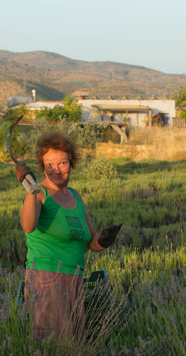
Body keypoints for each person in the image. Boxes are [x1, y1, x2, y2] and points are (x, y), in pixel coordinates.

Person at [16, 130, 121, 340]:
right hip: (46, 279)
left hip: (74, 280)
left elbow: (91, 241)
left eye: (62, 163)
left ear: (71, 161)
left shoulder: (75, 195)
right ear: (42, 166)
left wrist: (104, 239)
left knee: (73, 345)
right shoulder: (40, 195)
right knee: (55, 348)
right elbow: (28, 226)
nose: (56, 170)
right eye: (50, 165)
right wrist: (30, 190)